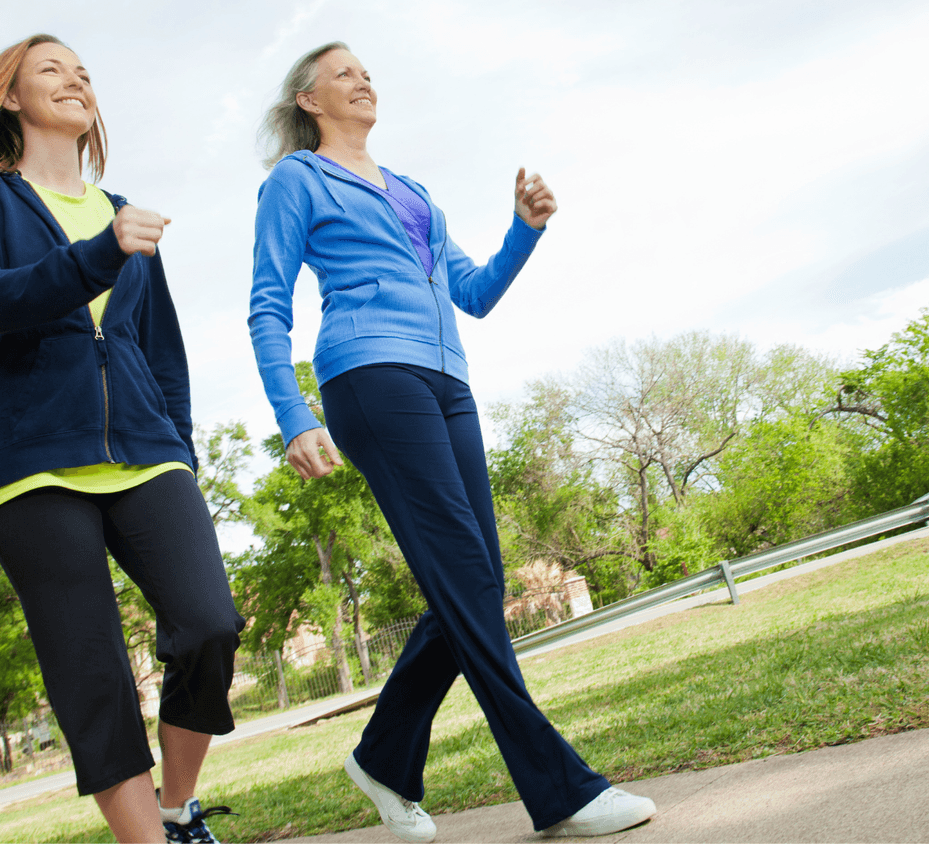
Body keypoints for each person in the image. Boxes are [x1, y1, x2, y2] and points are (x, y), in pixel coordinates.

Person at [249, 42, 658, 841]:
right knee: (468, 575)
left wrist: (524, 230)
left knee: (475, 580)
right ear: (308, 100)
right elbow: (268, 304)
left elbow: (472, 293)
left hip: (447, 381)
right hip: (369, 375)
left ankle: (383, 757)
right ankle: (561, 789)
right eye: (342, 74)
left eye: (367, 71)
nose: (363, 80)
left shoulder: (414, 193)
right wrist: (294, 415)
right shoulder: (297, 181)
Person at [0, 34, 244, 844]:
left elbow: (158, 348)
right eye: (51, 70)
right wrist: (99, 256)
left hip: (146, 453)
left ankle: (178, 808)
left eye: (83, 72)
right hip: (29, 466)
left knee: (209, 622)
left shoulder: (119, 210)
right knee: (91, 667)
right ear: (9, 98)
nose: (75, 80)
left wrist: (183, 448)